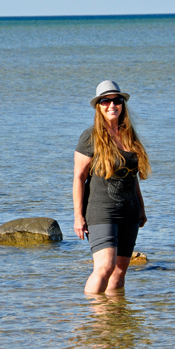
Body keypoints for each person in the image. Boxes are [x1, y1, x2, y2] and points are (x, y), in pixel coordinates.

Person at [73, 80, 150, 294]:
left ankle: (115, 321)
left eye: (116, 101)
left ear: (122, 105)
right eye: (106, 101)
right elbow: (79, 177)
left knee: (120, 270)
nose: (112, 105)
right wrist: (78, 216)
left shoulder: (129, 136)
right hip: (101, 211)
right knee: (105, 266)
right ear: (99, 106)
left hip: (129, 211)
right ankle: (91, 319)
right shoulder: (91, 137)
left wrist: (141, 208)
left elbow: (132, 177)